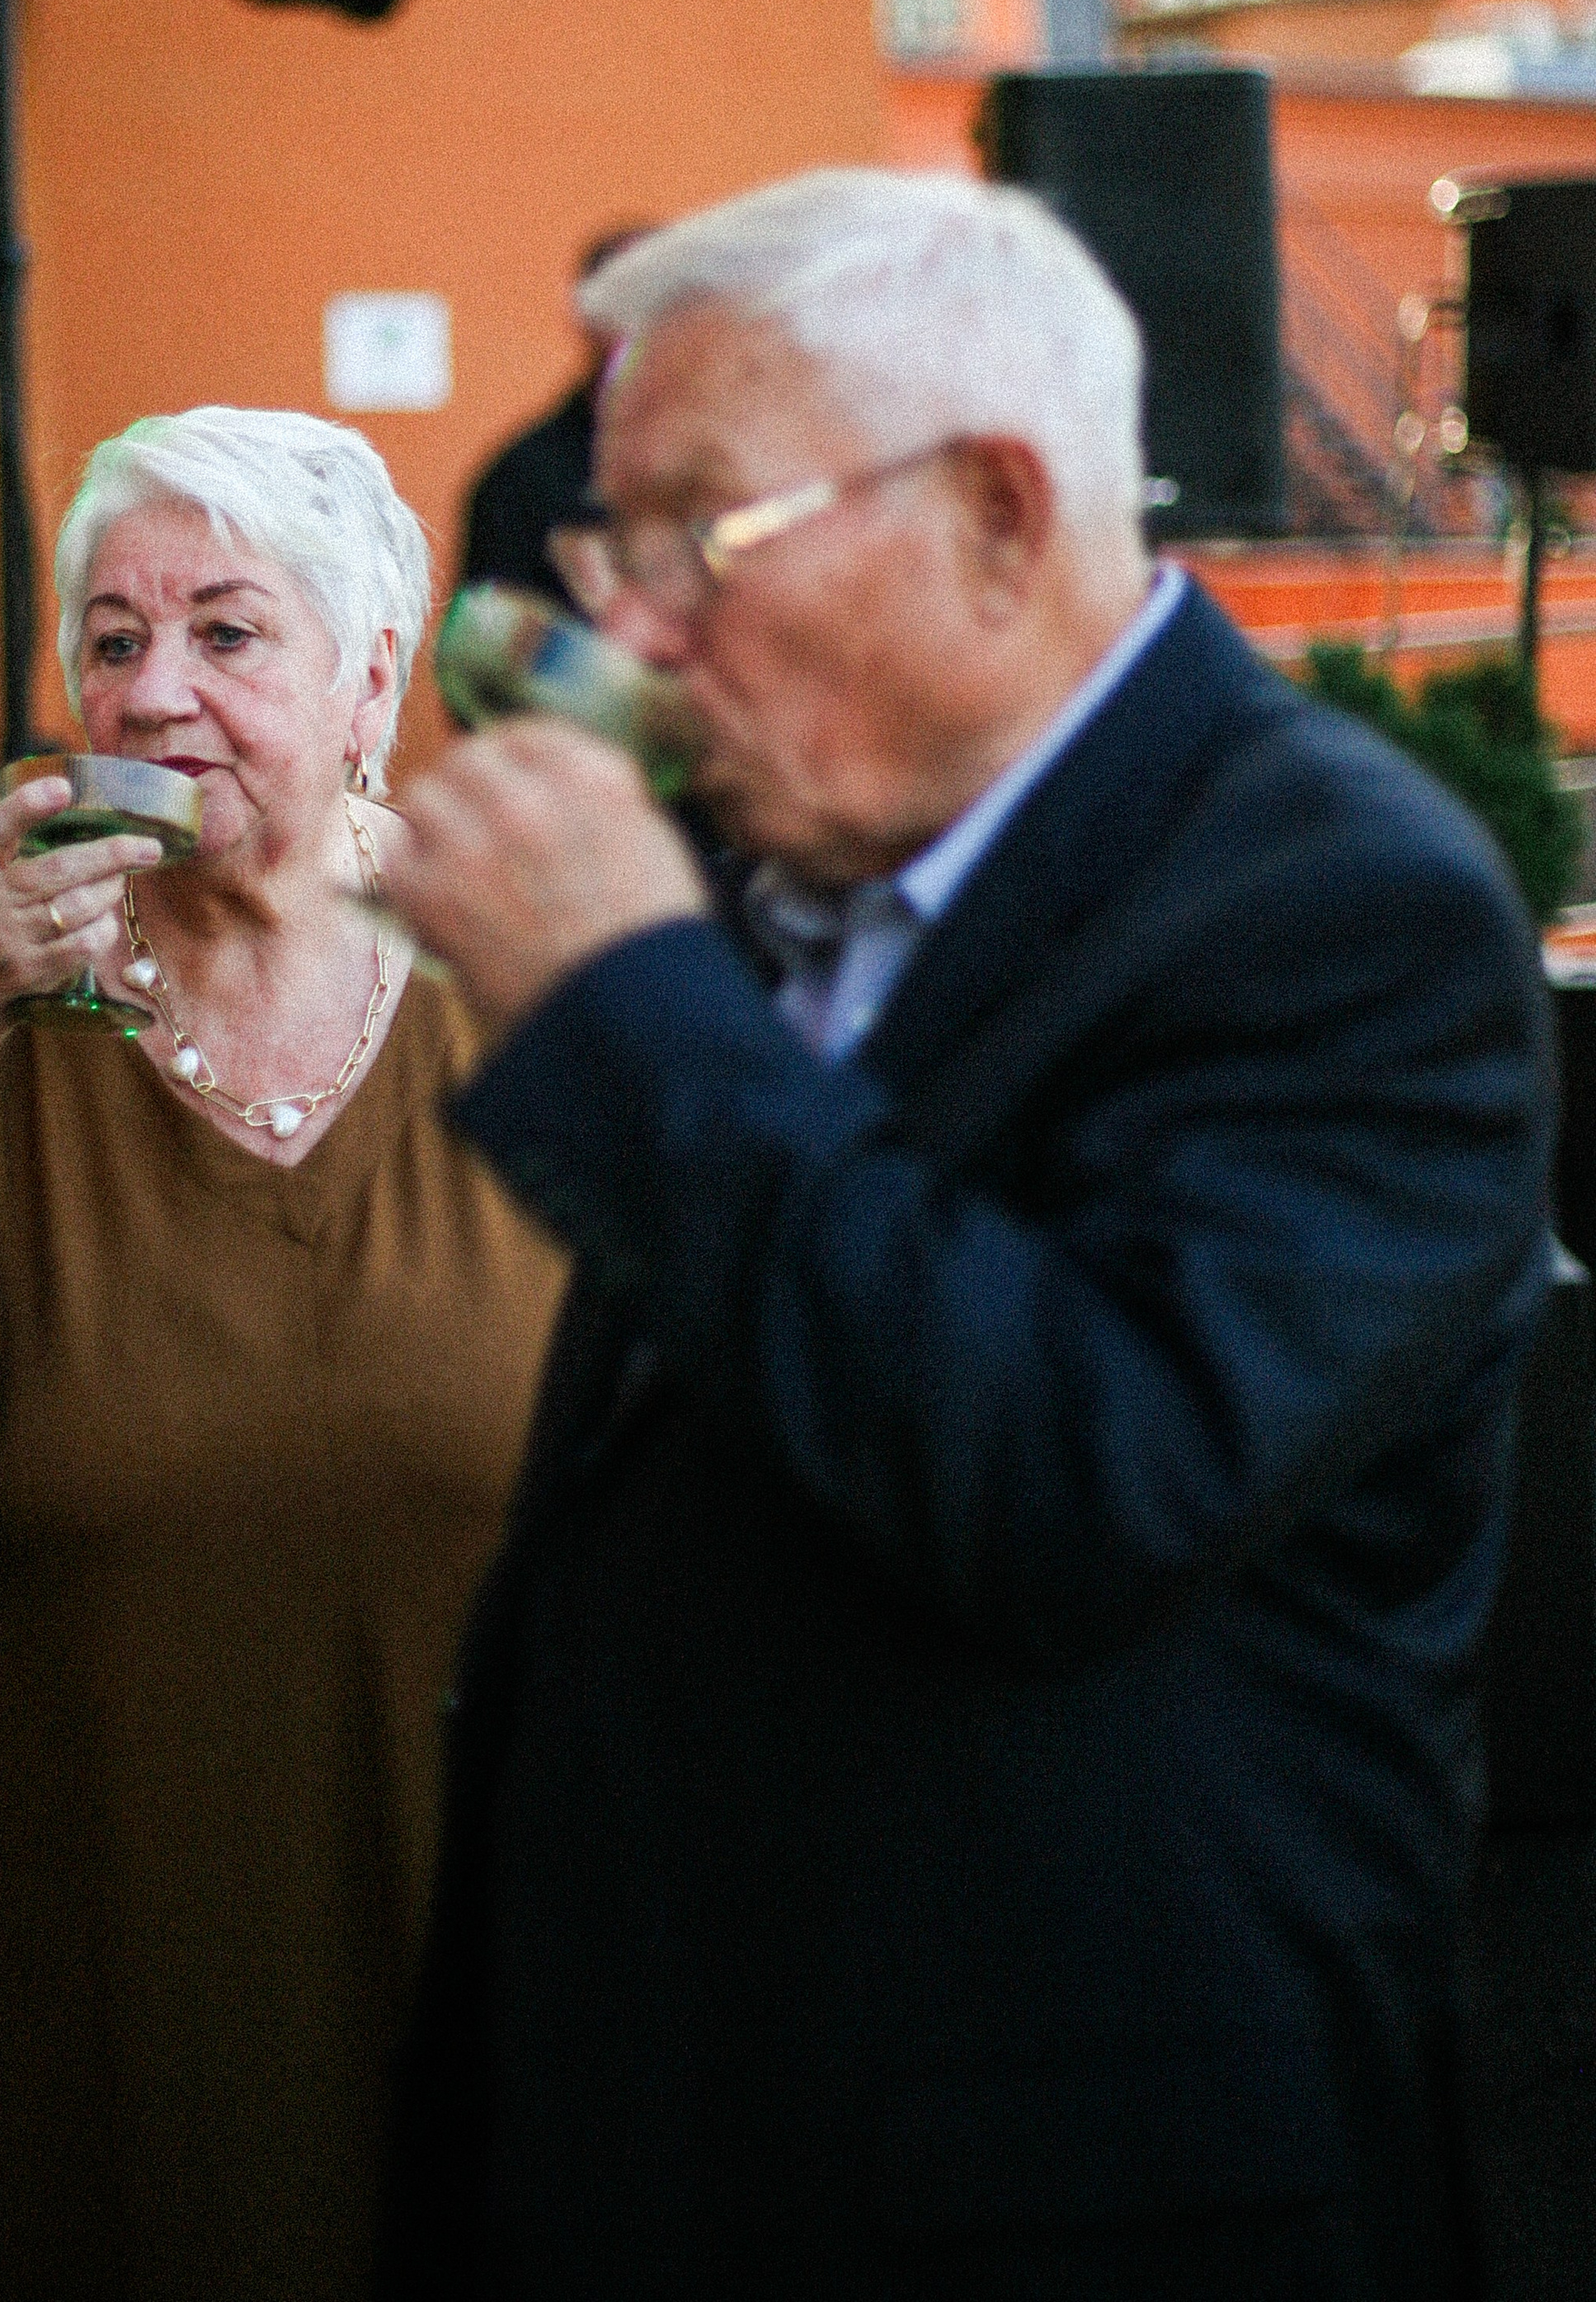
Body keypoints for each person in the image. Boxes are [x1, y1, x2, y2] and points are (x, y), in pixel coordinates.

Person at [373, 171, 1554, 2301]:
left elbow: (1079, 1475)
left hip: (1066, 2198)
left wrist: (633, 1010)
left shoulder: (1345, 907)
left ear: (1001, 516)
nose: (625, 633)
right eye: (601, 549)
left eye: (690, 543)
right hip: (683, 2134)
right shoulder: (781, 851)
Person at [0, 407, 563, 2302]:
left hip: (516, 1976)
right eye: (113, 639)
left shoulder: (536, 980)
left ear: (370, 671)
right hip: (94, 2027)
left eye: (228, 633)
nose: (153, 693)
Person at [458, 225, 653, 599]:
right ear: (588, 315)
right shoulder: (518, 480)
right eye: (633, 302)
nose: (649, 326)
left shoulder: (738, 465)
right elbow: (485, 644)